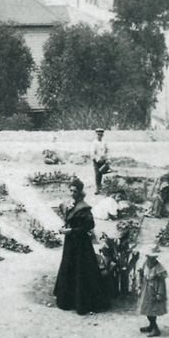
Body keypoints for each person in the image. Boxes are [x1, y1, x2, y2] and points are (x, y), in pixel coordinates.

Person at [54, 178, 113, 315]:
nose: (72, 193)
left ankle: (82, 302)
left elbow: (89, 226)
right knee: (69, 266)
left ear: (80, 191)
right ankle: (68, 300)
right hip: (70, 243)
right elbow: (69, 220)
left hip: (81, 244)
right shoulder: (69, 204)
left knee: (82, 269)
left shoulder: (84, 208)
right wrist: (65, 227)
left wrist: (72, 231)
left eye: (75, 191)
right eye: (71, 190)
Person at [137, 248, 168, 337]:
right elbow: (140, 273)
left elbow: (161, 282)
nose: (151, 259)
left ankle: (155, 328)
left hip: (154, 289)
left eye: (153, 258)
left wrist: (159, 293)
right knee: (146, 308)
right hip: (146, 288)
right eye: (149, 257)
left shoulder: (159, 268)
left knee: (152, 309)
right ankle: (151, 325)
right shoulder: (144, 264)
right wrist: (139, 286)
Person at [91, 128, 110, 192]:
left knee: (101, 172)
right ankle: (97, 188)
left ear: (102, 135)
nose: (99, 136)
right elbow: (92, 153)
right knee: (97, 173)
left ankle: (100, 186)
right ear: (96, 135)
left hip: (103, 160)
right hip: (96, 160)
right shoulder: (94, 143)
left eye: (101, 135)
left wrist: (107, 159)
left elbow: (107, 151)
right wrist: (97, 159)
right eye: (98, 134)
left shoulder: (104, 142)